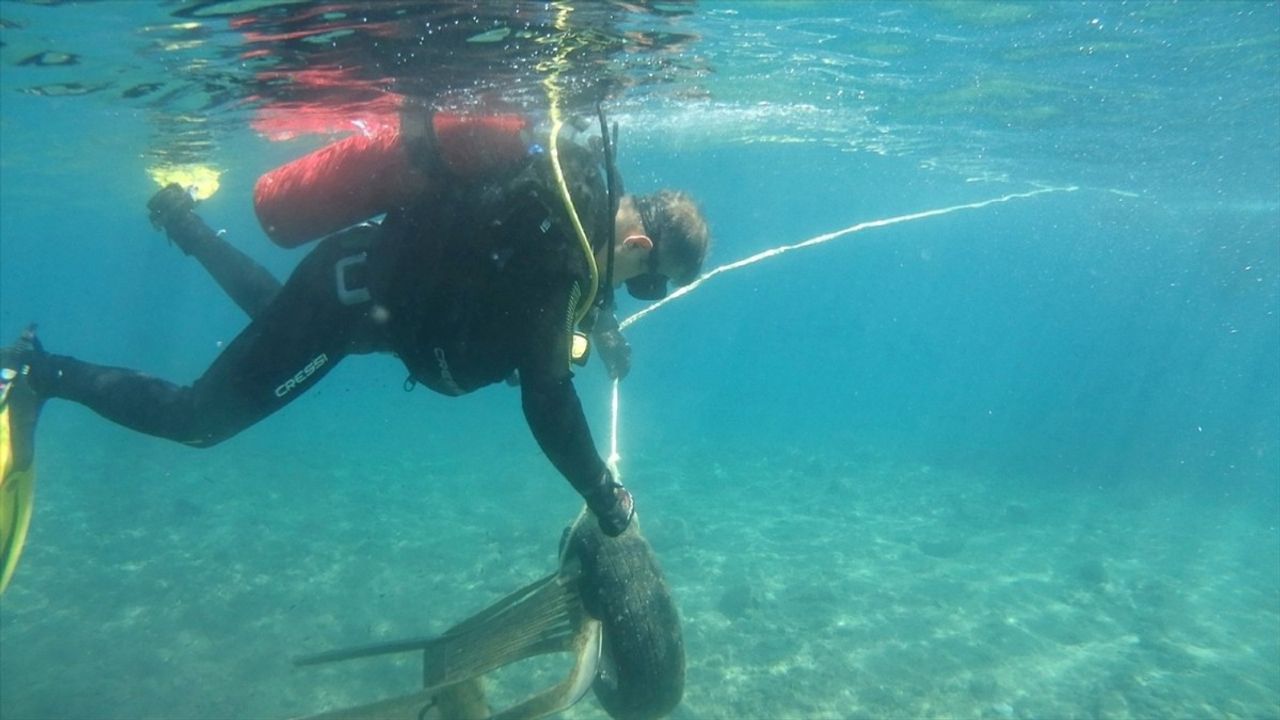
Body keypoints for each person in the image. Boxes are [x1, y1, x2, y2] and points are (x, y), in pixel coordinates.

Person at [0, 109, 710, 539]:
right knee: (200, 419)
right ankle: (39, 370)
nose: (634, 293)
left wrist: (604, 327)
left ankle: (181, 222)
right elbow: (548, 401)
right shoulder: (561, 255)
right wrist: (605, 496)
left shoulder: (583, 194)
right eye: (645, 285)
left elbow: (580, 280)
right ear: (641, 247)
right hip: (352, 302)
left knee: (276, 318)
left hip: (365, 289)